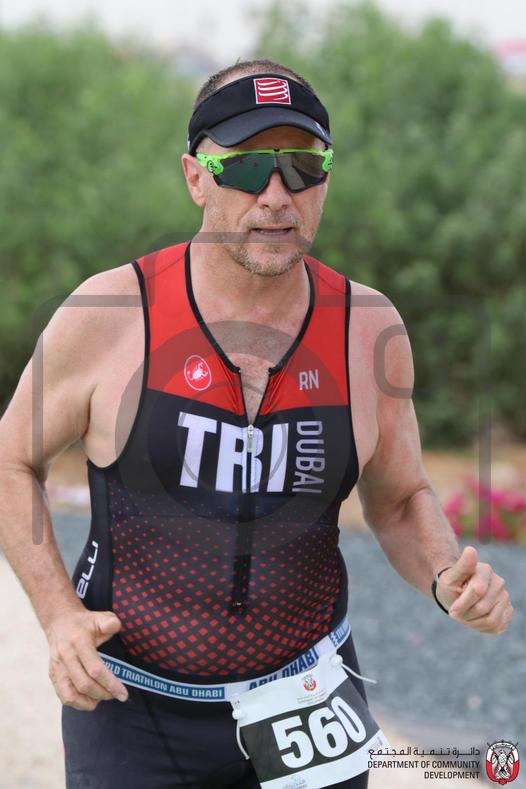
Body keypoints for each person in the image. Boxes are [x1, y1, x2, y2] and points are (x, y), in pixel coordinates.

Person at [0, 58, 513, 789]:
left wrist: (445, 577)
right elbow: (10, 459)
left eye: (302, 167)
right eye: (245, 166)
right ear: (195, 177)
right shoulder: (110, 314)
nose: (276, 195)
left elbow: (400, 497)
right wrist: (58, 615)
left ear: (326, 180)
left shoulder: (366, 328)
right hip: (133, 706)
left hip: (309, 698)